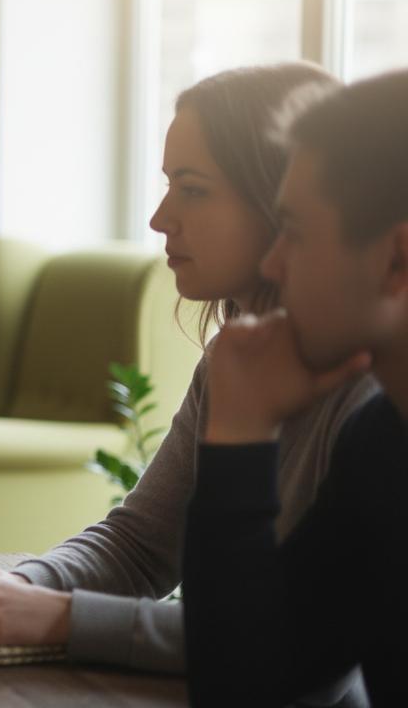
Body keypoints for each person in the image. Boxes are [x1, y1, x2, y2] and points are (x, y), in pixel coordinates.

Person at [0, 64, 376, 704]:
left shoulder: (374, 404)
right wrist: (23, 587)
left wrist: (56, 618)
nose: (160, 218)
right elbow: (140, 546)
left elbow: (281, 648)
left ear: (278, 200)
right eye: (168, 186)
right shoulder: (234, 363)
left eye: (193, 189)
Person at [185, 69, 408, 706]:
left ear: (396, 261)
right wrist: (238, 436)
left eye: (297, 233)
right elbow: (245, 683)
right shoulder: (382, 446)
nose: (273, 263)